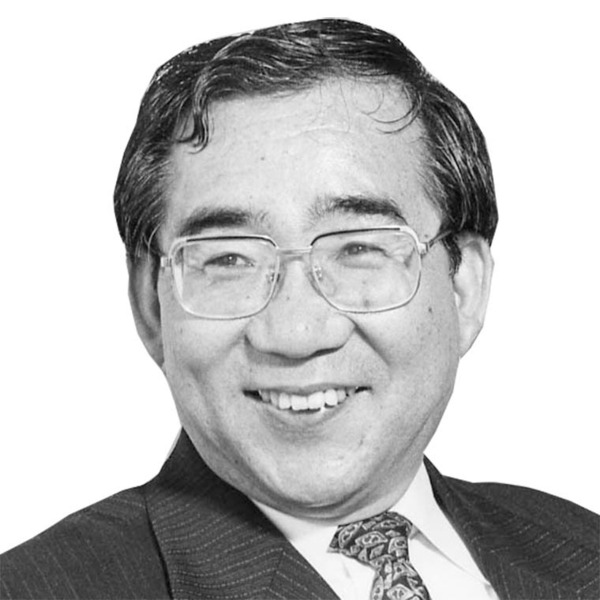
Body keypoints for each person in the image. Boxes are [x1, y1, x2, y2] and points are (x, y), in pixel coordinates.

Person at [1, 18, 598, 600]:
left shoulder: (583, 548)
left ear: (465, 285)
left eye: (358, 249)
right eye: (229, 259)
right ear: (150, 304)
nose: (295, 331)